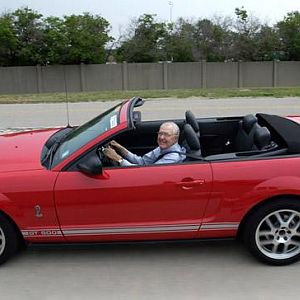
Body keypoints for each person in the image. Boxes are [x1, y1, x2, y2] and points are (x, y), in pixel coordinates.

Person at [103, 122, 186, 166]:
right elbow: (142, 162)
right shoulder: (163, 148)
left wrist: (118, 159)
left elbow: (144, 172)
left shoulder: (172, 158)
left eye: (166, 134)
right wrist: (120, 148)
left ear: (175, 138)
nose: (161, 137)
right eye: (160, 133)